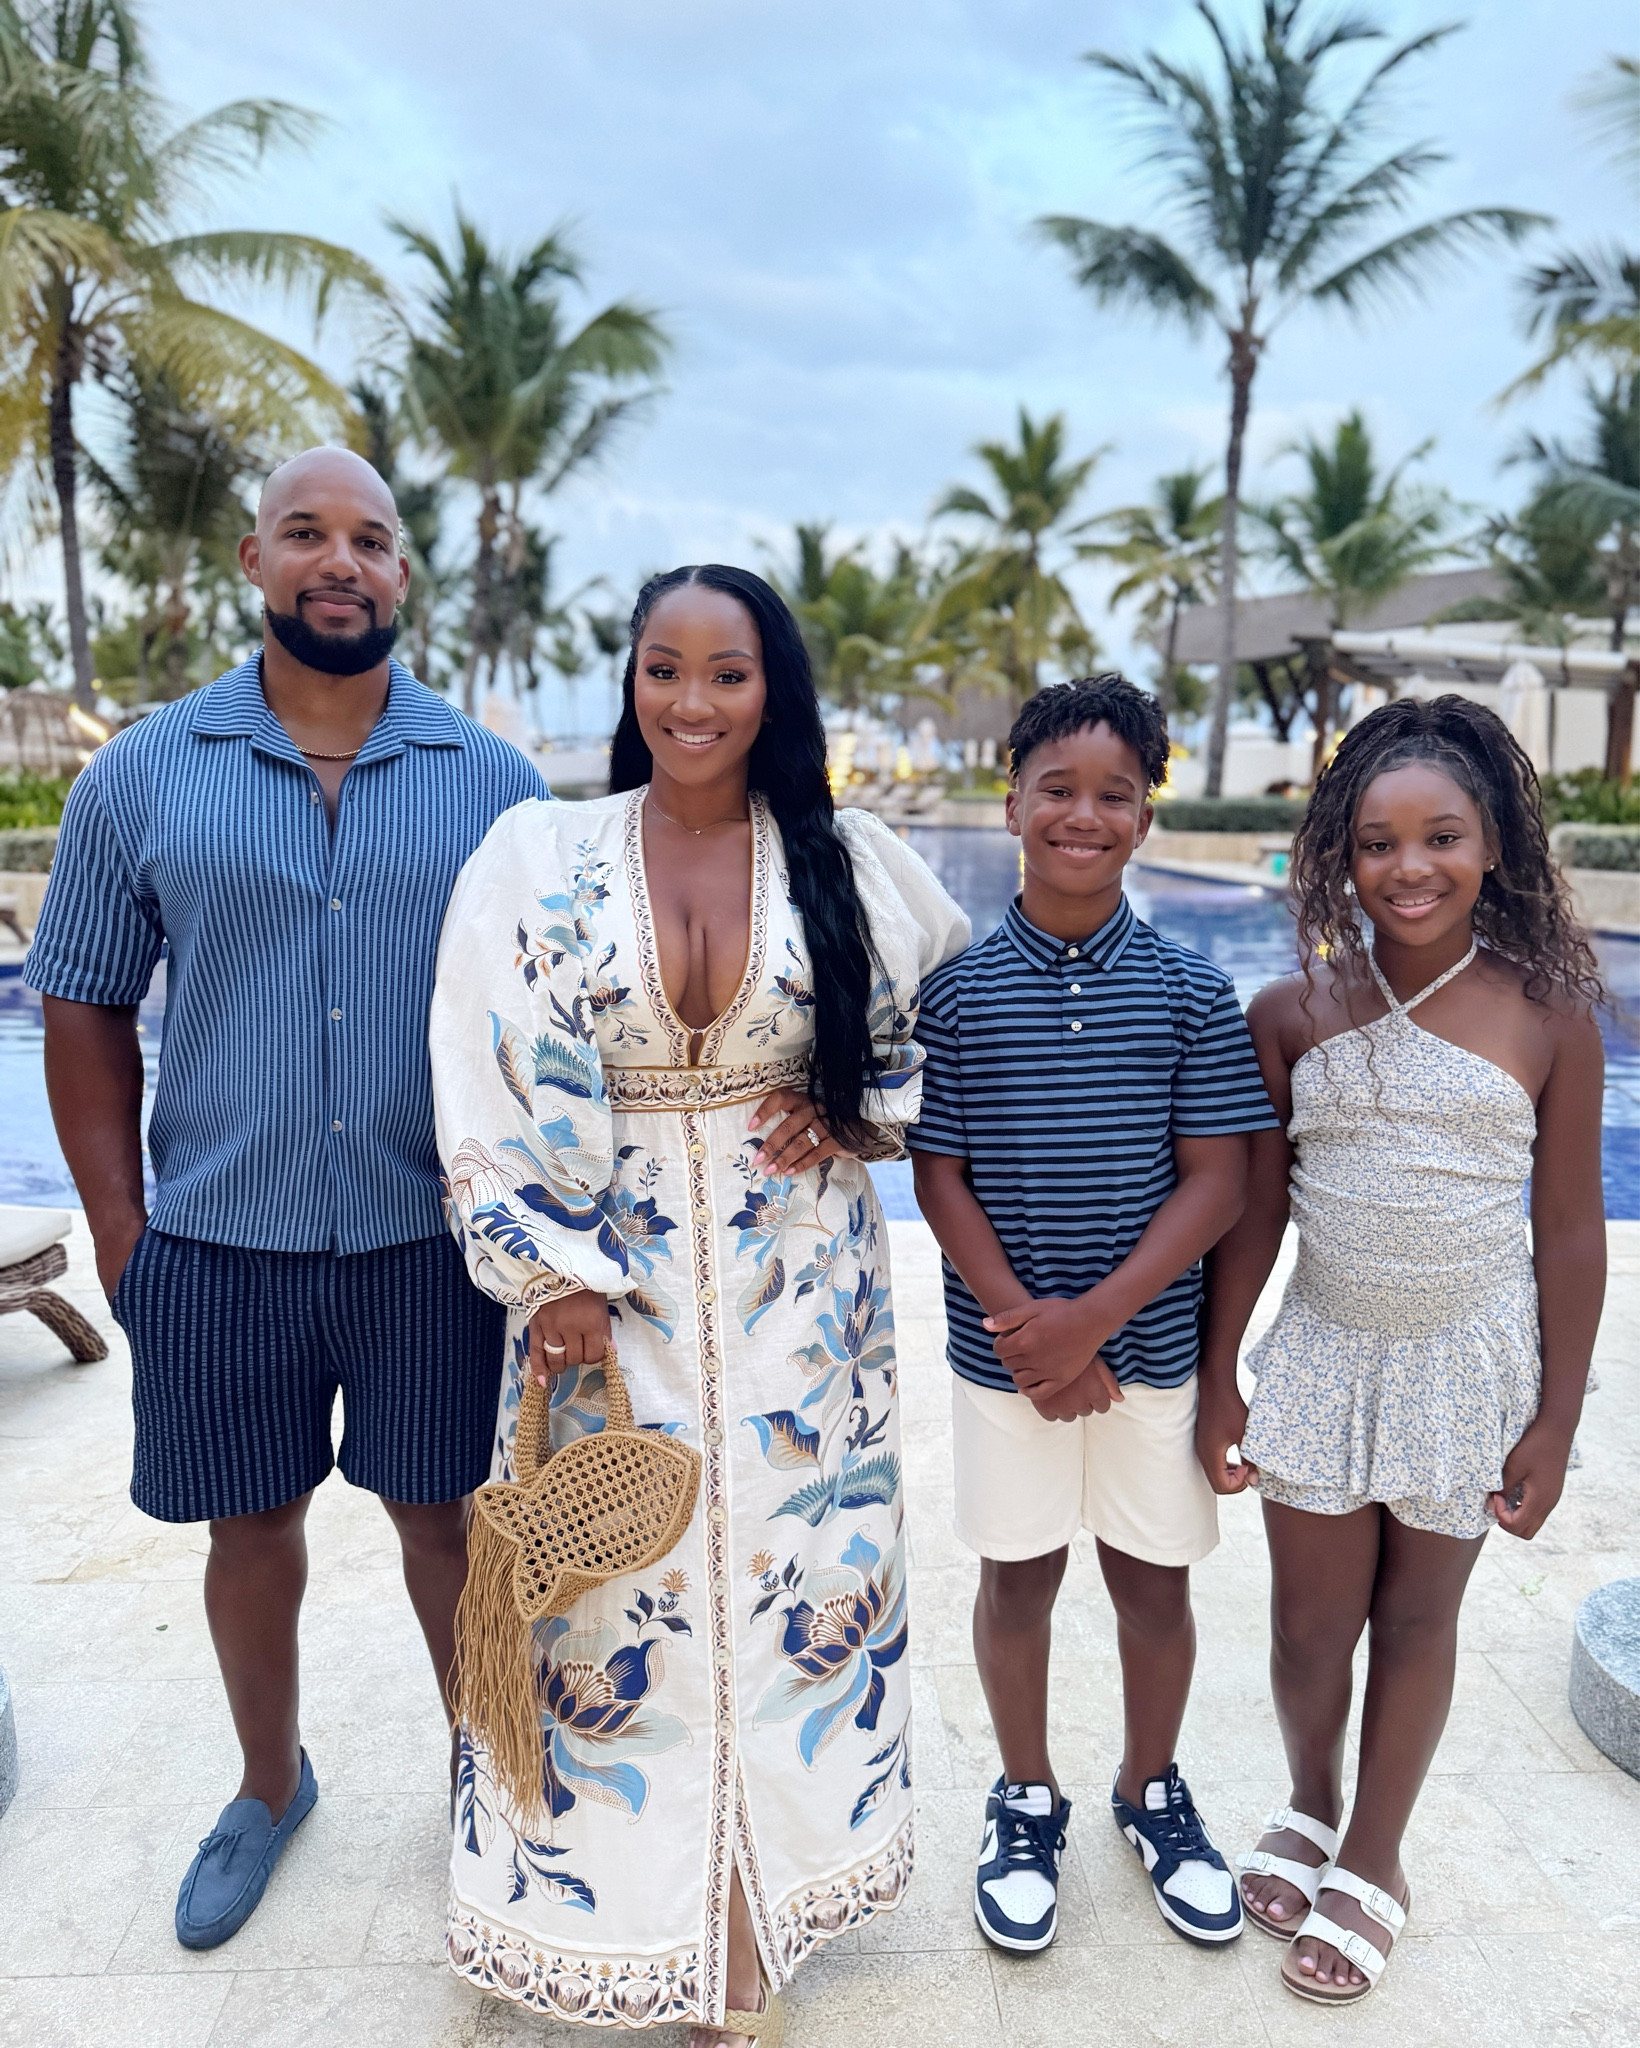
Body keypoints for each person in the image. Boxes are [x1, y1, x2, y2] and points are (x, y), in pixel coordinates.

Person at [428, 565, 968, 2047]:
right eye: (663, 669)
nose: (691, 703)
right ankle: (602, 1911)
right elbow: (485, 1046)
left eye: (725, 674)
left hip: (808, 1291)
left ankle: (749, 1911)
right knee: (612, 1592)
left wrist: (859, 1109)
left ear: (771, 691)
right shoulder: (541, 853)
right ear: (632, 683)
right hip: (613, 1285)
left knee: (795, 1591)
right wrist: (550, 1277)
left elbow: (945, 1012)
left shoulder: (843, 857)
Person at [24, 448, 547, 1949]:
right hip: (216, 1244)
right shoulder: (142, 772)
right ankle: (269, 1784)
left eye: (370, 540)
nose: (341, 560)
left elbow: (553, 1017)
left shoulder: (493, 784)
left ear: (402, 576)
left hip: (428, 1249)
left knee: (443, 1525)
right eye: (307, 533)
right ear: (251, 563)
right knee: (248, 1535)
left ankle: (485, 1776)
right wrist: (121, 1233)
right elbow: (82, 1006)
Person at [1198, 695, 1606, 2005]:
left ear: (1494, 848)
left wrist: (1555, 1418)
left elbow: (1572, 1228)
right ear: (1338, 853)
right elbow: (1254, 1220)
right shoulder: (1295, 1014)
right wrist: (1221, 1372)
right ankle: (1315, 1798)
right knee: (1310, 1631)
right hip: (1324, 1353)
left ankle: (1378, 1853)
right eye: (1378, 841)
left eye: (1442, 836)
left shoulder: (1550, 1014)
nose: (1411, 865)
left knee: (1419, 1619)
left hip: (1466, 1364)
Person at [909, 675, 1278, 1955]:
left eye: (1113, 793)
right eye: (1055, 788)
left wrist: (1099, 1322)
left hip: (1152, 1353)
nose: (1083, 813)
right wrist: (1027, 1322)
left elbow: (1218, 1177)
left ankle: (1149, 1787)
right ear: (1010, 802)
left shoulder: (1186, 989)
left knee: (1151, 1580)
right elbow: (937, 1170)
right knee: (1015, 1576)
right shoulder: (956, 993)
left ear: (1143, 816)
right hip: (999, 1353)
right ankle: (1023, 1793)